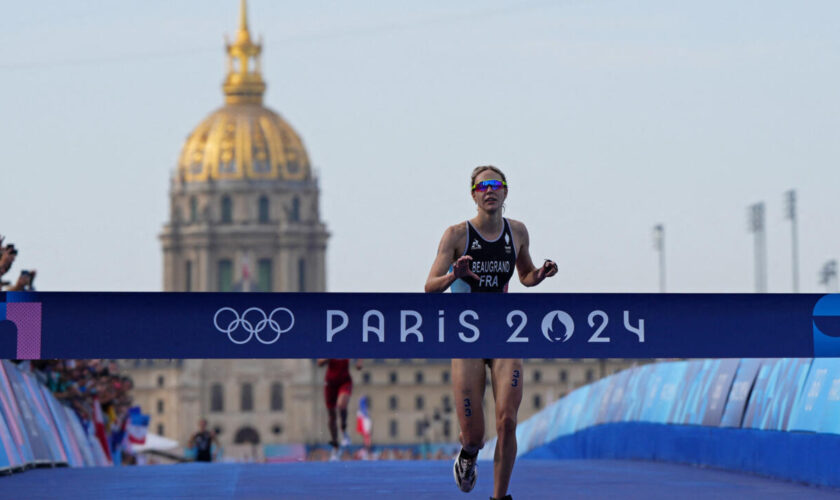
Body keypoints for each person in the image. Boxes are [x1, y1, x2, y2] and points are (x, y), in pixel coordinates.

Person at [425, 166, 557, 500]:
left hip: (502, 334)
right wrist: (455, 273)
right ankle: (468, 455)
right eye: (482, 186)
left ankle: (499, 497)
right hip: (467, 336)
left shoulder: (517, 232)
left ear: (505, 193)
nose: (489, 191)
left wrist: (539, 274)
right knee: (474, 436)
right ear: (473, 194)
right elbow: (429, 287)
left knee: (508, 421)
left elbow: (524, 274)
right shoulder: (456, 235)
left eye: (496, 185)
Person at [317, 358, 363, 461]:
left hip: (345, 381)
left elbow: (359, 357)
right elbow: (319, 363)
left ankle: (344, 429)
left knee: (341, 404)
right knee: (331, 416)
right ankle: (335, 446)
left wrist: (359, 362)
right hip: (330, 383)